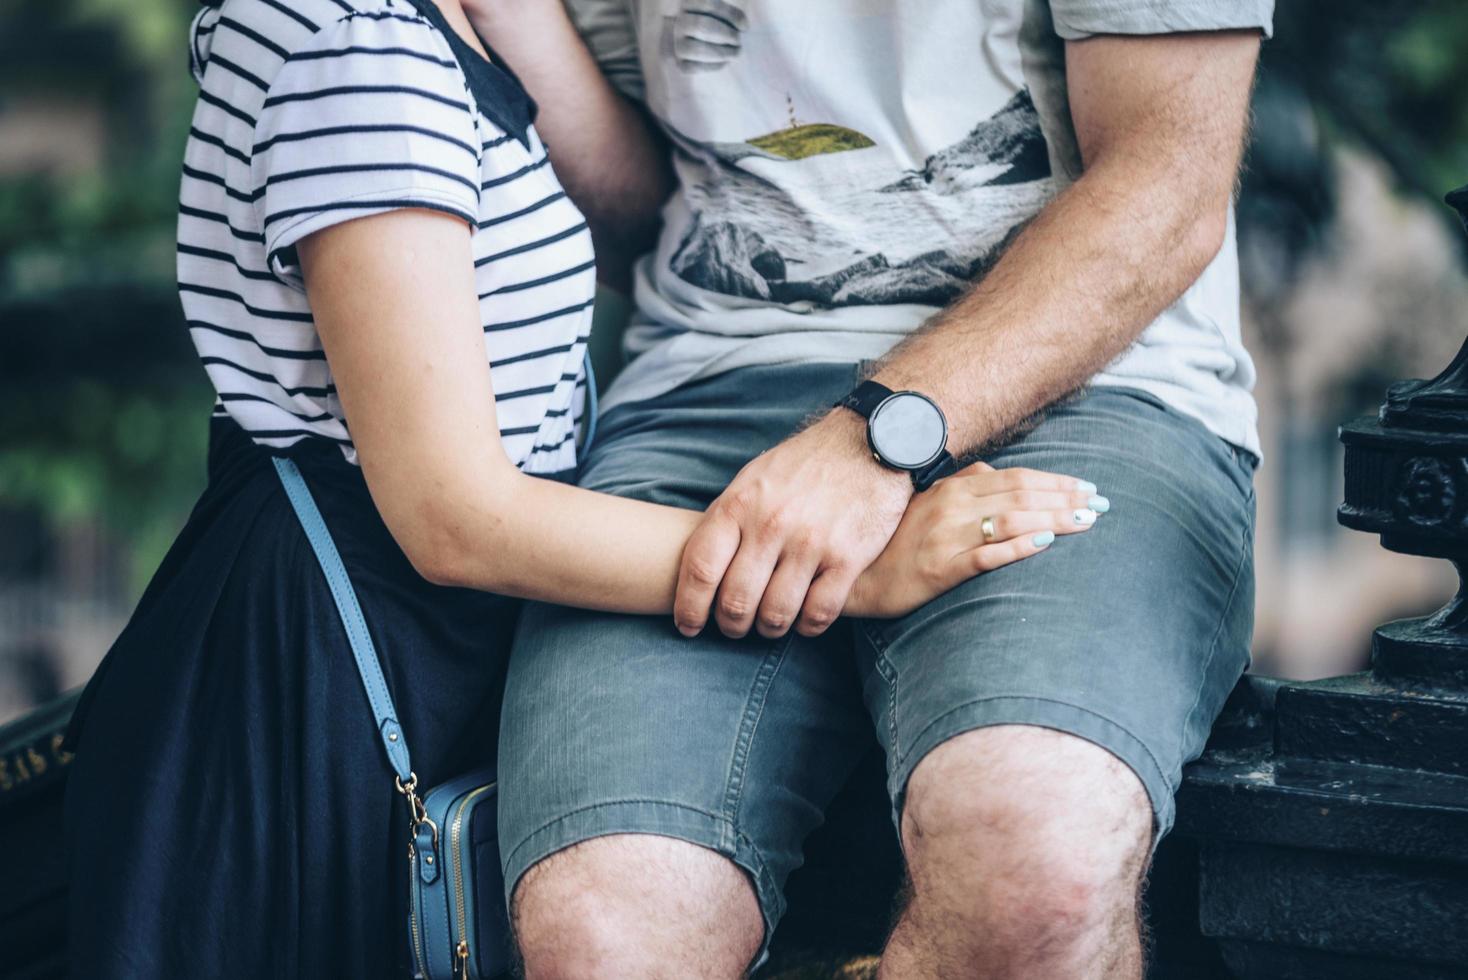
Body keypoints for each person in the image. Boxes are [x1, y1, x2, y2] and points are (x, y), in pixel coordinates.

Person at [60, 0, 1090, 975]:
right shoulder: (353, 48)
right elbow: (455, 518)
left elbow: (642, 205)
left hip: (428, 620)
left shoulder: (437, 19)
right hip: (331, 661)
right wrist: (849, 568)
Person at [461, 0, 1270, 977]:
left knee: (1032, 870)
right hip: (707, 381)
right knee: (605, 933)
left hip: (1088, 374)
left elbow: (1167, 178)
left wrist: (876, 436)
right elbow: (650, 198)